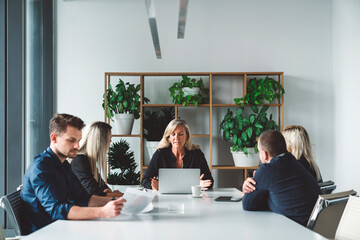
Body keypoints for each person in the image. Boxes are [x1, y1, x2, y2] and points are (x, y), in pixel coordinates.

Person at [21, 114, 126, 234]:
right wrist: (102, 211)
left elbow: (81, 198)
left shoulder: (64, 165)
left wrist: (116, 200)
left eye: (78, 140)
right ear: (54, 138)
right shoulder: (41, 167)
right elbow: (57, 210)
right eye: (71, 140)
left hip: (62, 227)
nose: (77, 146)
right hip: (45, 233)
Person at [242, 130, 321, 226]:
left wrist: (256, 186)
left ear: (265, 154)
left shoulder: (268, 169)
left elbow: (247, 205)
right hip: (315, 226)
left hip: (297, 229)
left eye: (259, 151)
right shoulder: (294, 162)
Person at [142, 118, 214, 190]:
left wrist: (199, 184)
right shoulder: (160, 154)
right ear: (169, 137)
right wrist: (154, 185)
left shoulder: (197, 154)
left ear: (187, 136)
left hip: (191, 199)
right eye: (173, 134)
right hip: (166, 199)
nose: (176, 138)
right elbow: (145, 180)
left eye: (180, 134)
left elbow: (209, 181)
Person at [71, 121, 122, 197]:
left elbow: (101, 185)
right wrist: (115, 195)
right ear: (100, 140)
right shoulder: (79, 159)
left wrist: (108, 191)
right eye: (109, 138)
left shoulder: (89, 159)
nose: (110, 142)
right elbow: (93, 192)